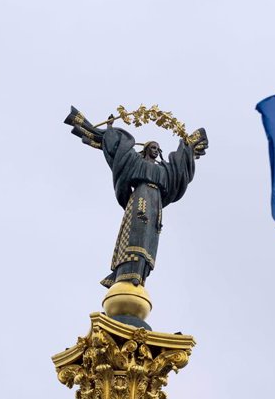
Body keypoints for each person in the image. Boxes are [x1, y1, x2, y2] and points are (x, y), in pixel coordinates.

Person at [64, 107, 207, 288]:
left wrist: (188, 146)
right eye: (153, 148)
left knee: (149, 238)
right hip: (140, 198)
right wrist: (110, 130)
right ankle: (124, 271)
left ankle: (140, 273)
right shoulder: (136, 162)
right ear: (146, 149)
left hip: (155, 203)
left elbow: (180, 169)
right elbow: (119, 150)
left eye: (158, 148)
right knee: (135, 232)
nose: (155, 150)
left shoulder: (164, 170)